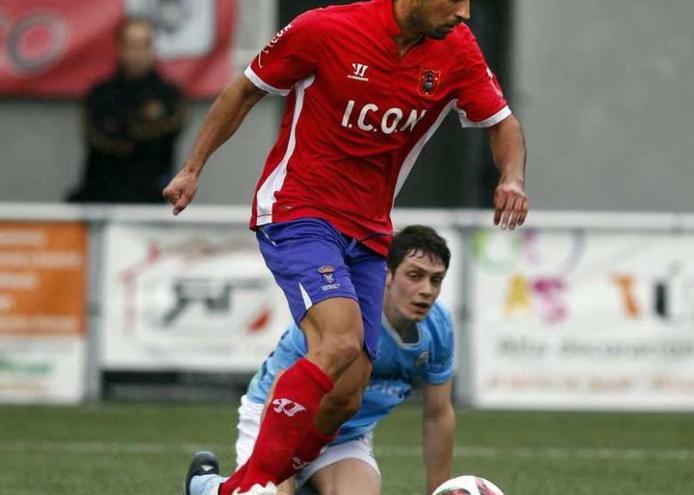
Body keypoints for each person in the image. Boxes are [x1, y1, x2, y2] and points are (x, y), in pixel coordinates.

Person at [164, 1, 529, 494]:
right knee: (337, 342)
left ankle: (220, 489)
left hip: (370, 229)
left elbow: (502, 123)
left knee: (349, 393)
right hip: (299, 209)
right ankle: (247, 486)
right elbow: (245, 90)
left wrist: (511, 177)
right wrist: (192, 168)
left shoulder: (456, 49)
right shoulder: (325, 29)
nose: (465, 13)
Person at [187, 225, 455, 495]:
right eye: (414, 275)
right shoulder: (341, 318)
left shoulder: (439, 327)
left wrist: (439, 490)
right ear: (386, 273)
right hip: (279, 421)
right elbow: (281, 392)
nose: (426, 290)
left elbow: (438, 413)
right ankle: (207, 486)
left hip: (345, 438)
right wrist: (280, 474)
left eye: (436, 280)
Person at [68, 18, 185, 204]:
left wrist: (123, 129)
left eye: (142, 46)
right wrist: (138, 131)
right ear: (120, 48)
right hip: (101, 195)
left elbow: (166, 132)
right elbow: (98, 137)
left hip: (150, 197)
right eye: (131, 45)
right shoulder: (100, 94)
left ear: (152, 49)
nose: (137, 54)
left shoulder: (168, 95)